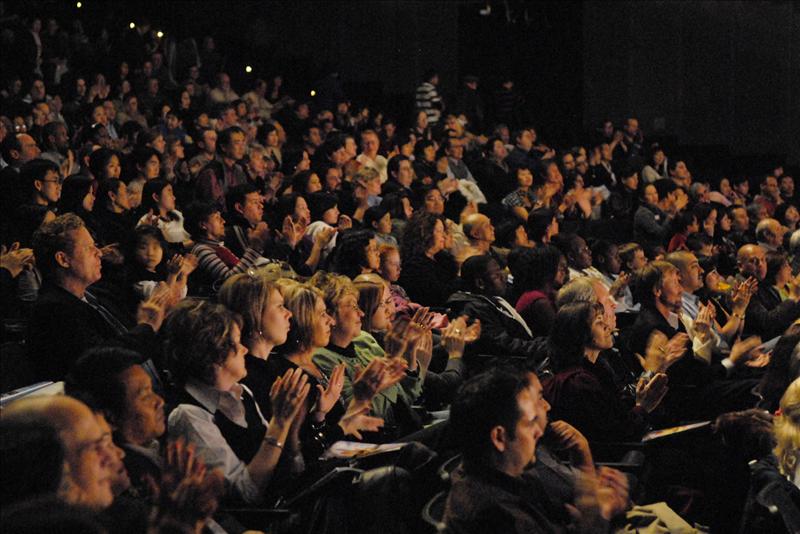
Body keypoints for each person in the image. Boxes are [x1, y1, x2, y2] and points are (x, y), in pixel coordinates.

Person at [163, 299, 309, 504]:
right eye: (238, 343)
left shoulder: (242, 393)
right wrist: (279, 423)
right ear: (215, 353)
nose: (245, 350)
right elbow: (244, 494)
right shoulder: (188, 415)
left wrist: (291, 434)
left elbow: (290, 471)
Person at [444, 367, 605, 533]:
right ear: (499, 438)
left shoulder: (499, 478)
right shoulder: (499, 517)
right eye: (530, 423)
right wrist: (599, 516)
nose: (539, 432)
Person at [27, 213, 165, 380]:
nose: (99, 253)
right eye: (89, 248)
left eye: (95, 246)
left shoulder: (99, 293)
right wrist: (146, 327)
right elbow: (102, 360)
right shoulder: (52, 310)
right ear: (63, 259)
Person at [544, 301, 668, 442]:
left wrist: (641, 398)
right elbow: (616, 435)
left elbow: (619, 412)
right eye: (599, 322)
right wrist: (642, 407)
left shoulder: (598, 368)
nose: (607, 326)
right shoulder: (578, 382)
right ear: (581, 333)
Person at [447, 254, 547, 362]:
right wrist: (546, 346)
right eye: (497, 275)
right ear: (480, 283)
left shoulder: (490, 300)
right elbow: (506, 346)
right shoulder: (475, 310)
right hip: (510, 365)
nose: (504, 278)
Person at [398, 212, 457, 307]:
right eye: (439, 231)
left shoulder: (445, 260)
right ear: (425, 233)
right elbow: (434, 297)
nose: (444, 236)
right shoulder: (413, 267)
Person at [509, 245, 568, 337]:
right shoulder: (539, 302)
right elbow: (561, 336)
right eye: (561, 267)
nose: (565, 271)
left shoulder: (545, 294)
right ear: (548, 269)